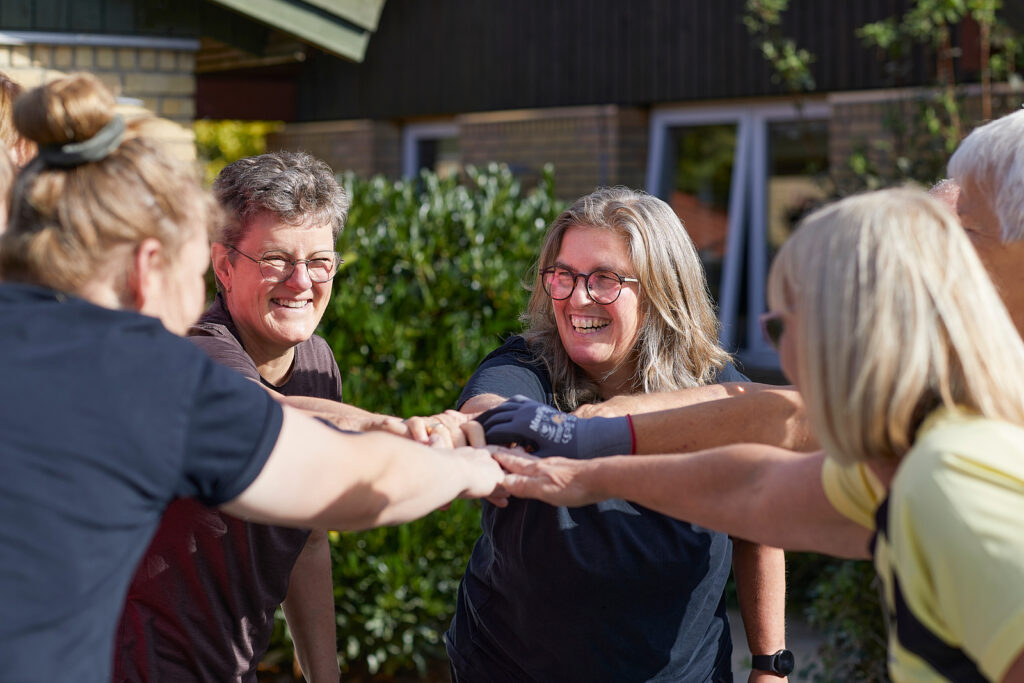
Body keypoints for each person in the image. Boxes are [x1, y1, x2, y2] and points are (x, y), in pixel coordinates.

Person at [0, 73, 504, 683]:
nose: (194, 303)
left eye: (320, 262)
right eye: (193, 273)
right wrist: (471, 467)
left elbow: (308, 531)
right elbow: (345, 476)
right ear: (148, 266)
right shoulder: (146, 372)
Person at [493, 186, 1024, 683]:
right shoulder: (910, 462)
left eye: (786, 327)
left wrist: (587, 444)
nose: (785, 358)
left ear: (862, 337)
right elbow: (754, 487)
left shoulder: (947, 481)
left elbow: (765, 419)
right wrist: (590, 460)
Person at [446, 187, 787, 683]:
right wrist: (489, 428)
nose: (577, 297)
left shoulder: (717, 389)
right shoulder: (524, 366)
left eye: (604, 279)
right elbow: (490, 412)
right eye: (564, 275)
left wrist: (770, 665)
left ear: (662, 291)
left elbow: (759, 523)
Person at [116, 152, 374, 682]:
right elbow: (260, 412)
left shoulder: (317, 364)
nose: (301, 282)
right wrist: (397, 431)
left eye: (320, 261)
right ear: (224, 265)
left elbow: (308, 539)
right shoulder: (195, 348)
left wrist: (324, 675)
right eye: (276, 259)